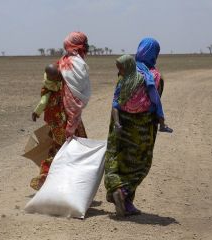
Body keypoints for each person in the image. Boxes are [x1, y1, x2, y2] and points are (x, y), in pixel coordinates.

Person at [104, 38, 169, 217]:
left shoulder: (127, 71)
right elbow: (156, 105)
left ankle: (118, 191)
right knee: (140, 162)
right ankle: (125, 195)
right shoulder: (156, 77)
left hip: (121, 124)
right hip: (143, 127)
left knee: (117, 157)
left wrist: (116, 122)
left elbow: (116, 100)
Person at [30, 31, 90, 190]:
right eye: (84, 44)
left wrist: (38, 111)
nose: (87, 48)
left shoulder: (60, 63)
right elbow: (76, 99)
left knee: (59, 148)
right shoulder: (75, 65)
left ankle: (49, 179)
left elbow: (46, 94)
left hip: (58, 120)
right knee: (72, 150)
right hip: (69, 118)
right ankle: (67, 185)